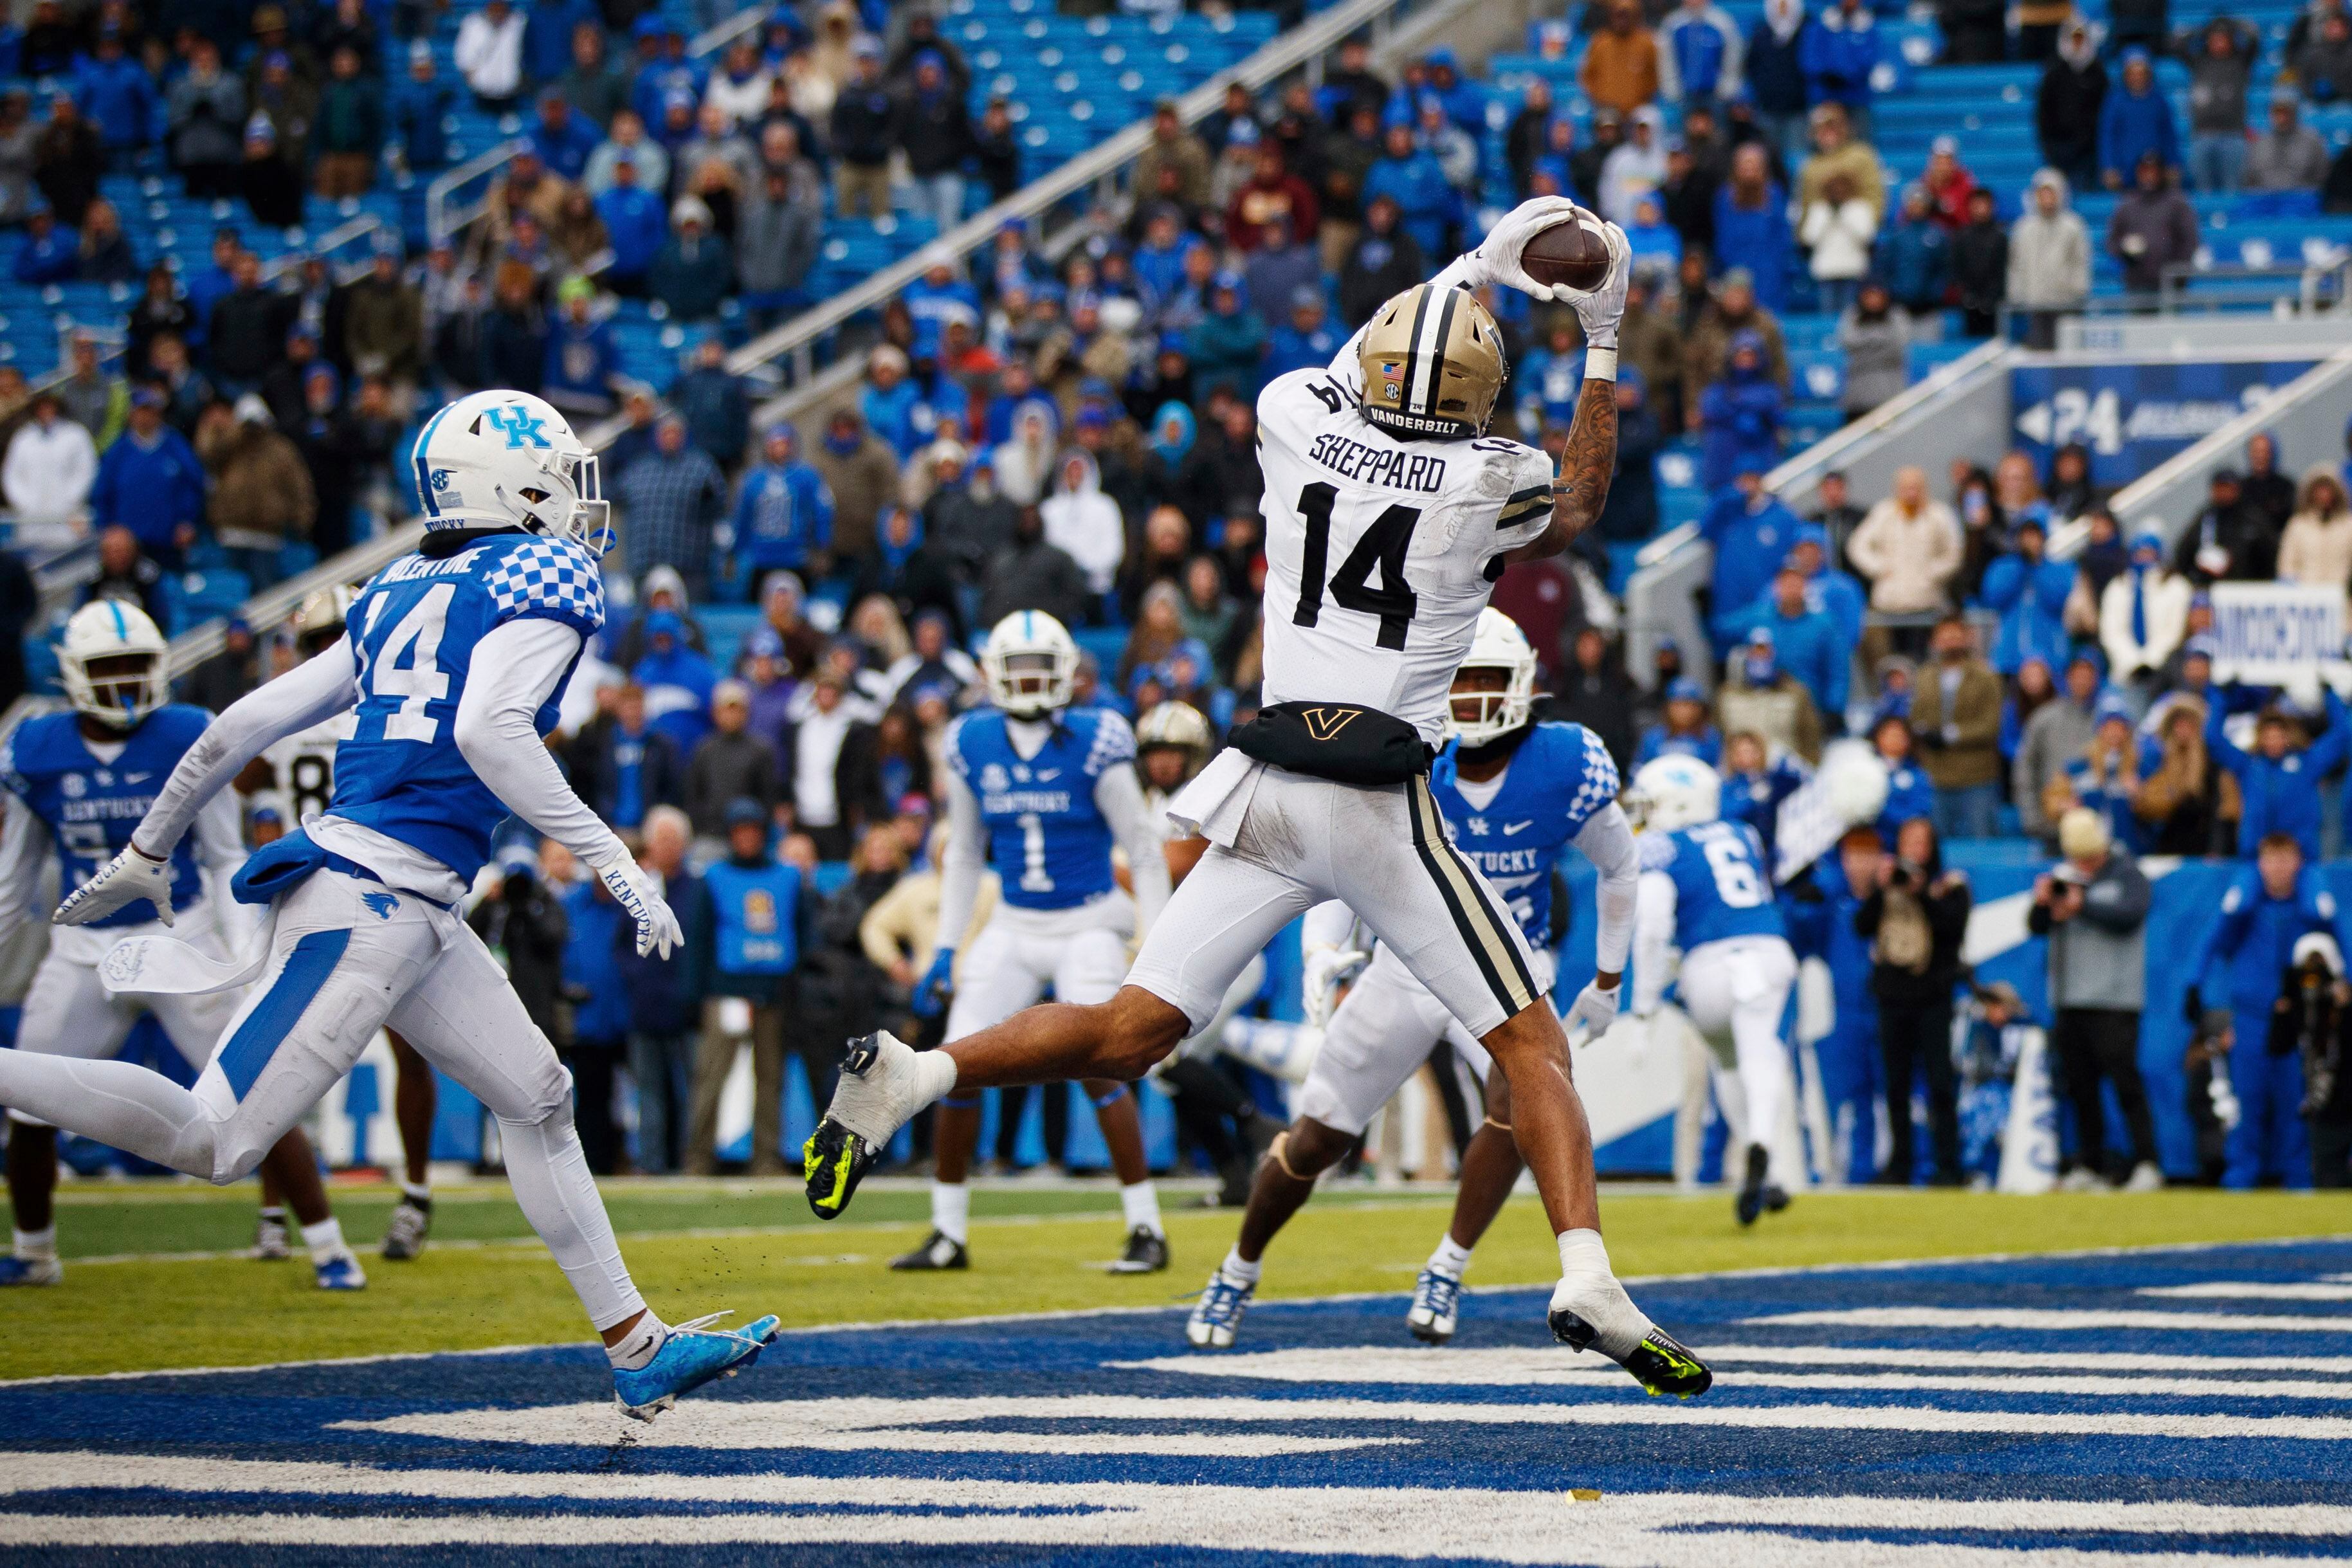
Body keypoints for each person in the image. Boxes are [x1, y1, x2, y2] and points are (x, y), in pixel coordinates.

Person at [801, 197, 1711, 1397]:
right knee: (1530, 1038)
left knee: (1132, 1027)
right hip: (1375, 798)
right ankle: (1584, 1267)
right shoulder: (1491, 473)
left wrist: (1471, 264)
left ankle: (916, 1075)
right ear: (1478, 403)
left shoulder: (1294, 412)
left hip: (1264, 784)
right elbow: (1584, 500)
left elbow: (1365, 364)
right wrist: (1600, 337)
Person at [26, 390, 777, 1417]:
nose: (571, 495)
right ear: (506, 485)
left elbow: (237, 722)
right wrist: (617, 860)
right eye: (555, 473)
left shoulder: (394, 583)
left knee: (541, 1095)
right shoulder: (542, 568)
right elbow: (489, 732)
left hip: (407, 900)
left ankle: (637, 1344)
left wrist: (151, 845)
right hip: (370, 898)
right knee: (214, 1139)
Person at [1189, 610, 1638, 1347]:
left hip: (1506, 970)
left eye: (1489, 679)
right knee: (1315, 1141)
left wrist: (1610, 978)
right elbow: (1337, 853)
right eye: (1462, 680)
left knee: (1518, 1091)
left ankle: (1449, 1264)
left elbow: (1620, 864)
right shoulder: (1405, 752)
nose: (1473, 696)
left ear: (1524, 684)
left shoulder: (1565, 763)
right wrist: (1323, 945)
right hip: (1405, 963)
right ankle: (1237, 1269)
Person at [0, 602, 358, 1290]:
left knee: (256, 1092)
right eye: (110, 668)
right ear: (74, 673)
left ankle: (328, 1245)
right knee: (29, 1100)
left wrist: (241, 950)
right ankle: (35, 1247)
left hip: (180, 938)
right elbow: (14, 880)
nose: (125, 682)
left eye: (136, 666)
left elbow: (226, 854)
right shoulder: (35, 750)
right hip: (82, 952)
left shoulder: (187, 732)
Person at [889, 610, 1174, 1274]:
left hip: (1088, 919)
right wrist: (945, 946)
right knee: (952, 1063)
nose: (1027, 680)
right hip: (1014, 922)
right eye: (1015, 668)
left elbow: (1142, 846)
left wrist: (1156, 943)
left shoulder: (1099, 737)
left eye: (1039, 667)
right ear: (992, 673)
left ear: (1066, 670)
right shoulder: (972, 740)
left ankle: (1145, 1227)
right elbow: (962, 851)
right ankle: (947, 1231)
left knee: (1103, 1065)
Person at [237, 587, 442, 1260]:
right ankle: (282, 1205)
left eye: (334, 635)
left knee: (402, 1045)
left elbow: (243, 777)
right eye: (318, 638)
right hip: (320, 893)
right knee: (274, 1051)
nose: (327, 651)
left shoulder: (307, 713)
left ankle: (407, 1192)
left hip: (359, 890)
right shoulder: (374, 713)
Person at [1628, 753, 1800, 1225]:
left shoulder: (1662, 846)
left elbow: (1652, 929)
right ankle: (1765, 1152)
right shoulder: (1742, 833)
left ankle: (1755, 1152)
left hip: (1706, 965)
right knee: (1760, 1052)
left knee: (1726, 1060)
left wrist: (1642, 1009)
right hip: (1766, 951)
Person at [2187, 832, 2352, 1190]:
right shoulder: (2248, 909)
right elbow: (2211, 941)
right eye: (2271, 860)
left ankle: (2298, 1179)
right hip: (2251, 1016)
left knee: (2297, 1100)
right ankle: (2241, 1179)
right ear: (2260, 864)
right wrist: (2193, 984)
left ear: (2297, 863)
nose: (2278, 869)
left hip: (2297, 1020)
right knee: (2249, 1100)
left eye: (2285, 860)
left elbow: (2343, 937)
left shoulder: (2309, 910)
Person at [2028, 807, 2161, 1190]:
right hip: (2070, 998)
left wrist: (2082, 904)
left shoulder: (2128, 874)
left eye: (2088, 858)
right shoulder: (2063, 877)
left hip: (2115, 999)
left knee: (2125, 1084)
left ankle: (2147, 1162)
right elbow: (2035, 927)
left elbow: (2130, 914)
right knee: (2080, 1087)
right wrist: (2044, 903)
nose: (2082, 866)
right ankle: (2090, 1163)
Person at [684, 799, 809, 1176]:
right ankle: (699, 1156)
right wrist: (696, 993)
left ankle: (767, 1158)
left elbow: (803, 934)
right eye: (740, 831)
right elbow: (701, 938)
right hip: (727, 990)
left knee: (771, 1079)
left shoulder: (788, 877)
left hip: (774, 989)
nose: (747, 838)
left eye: (753, 830)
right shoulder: (715, 877)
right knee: (713, 1076)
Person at [1855, 814, 1971, 1185]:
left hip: (1933, 995)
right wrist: (1878, 888)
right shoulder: (1889, 887)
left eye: (1922, 842)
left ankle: (1948, 1166)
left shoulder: (1949, 885)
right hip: (1893, 996)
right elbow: (1861, 926)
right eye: (1909, 841)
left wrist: (1921, 892)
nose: (1915, 850)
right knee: (1896, 1085)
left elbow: (1953, 929)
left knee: (1939, 1083)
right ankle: (1900, 1164)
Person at [1786, 826, 1884, 1183]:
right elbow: (1800, 941)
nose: (1861, 864)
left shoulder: (1888, 894)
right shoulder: (1829, 895)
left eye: (1868, 854)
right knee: (1841, 1091)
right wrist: (1803, 903)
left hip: (1884, 1005)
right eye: (1855, 855)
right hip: (1841, 1010)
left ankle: (1878, 1167)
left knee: (1885, 1091)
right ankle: (1836, 1168)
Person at [1911, 614, 2005, 840]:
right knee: (1937, 846)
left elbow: (1991, 724)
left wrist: (1951, 735)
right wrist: (1923, 731)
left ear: (1967, 639)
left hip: (1977, 777)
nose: (1950, 641)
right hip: (1935, 775)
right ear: (1934, 641)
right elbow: (1914, 716)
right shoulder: (1923, 676)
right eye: (1945, 636)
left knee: (1981, 845)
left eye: (1955, 635)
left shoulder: (1986, 676)